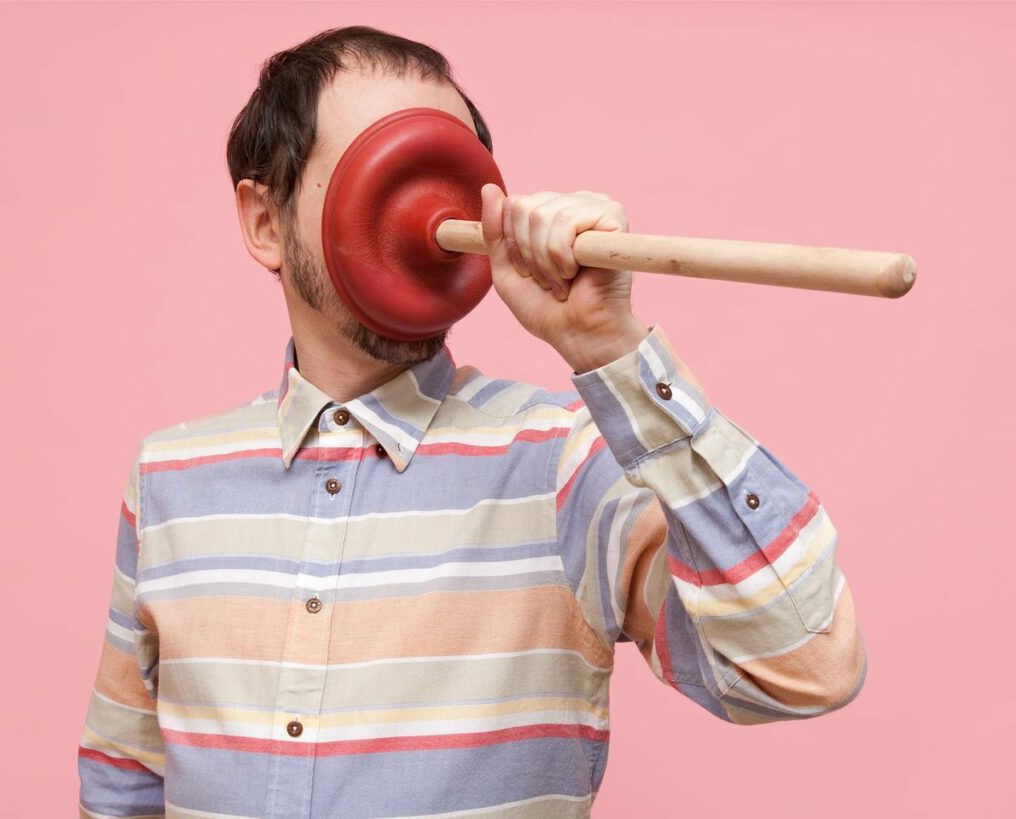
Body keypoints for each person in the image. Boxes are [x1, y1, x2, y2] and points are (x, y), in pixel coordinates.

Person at [77, 25, 867, 819]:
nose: (421, 207)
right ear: (265, 222)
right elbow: (122, 783)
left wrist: (612, 349)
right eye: (381, 167)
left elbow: (803, 667)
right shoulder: (169, 478)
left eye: (443, 172)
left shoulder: (565, 461)